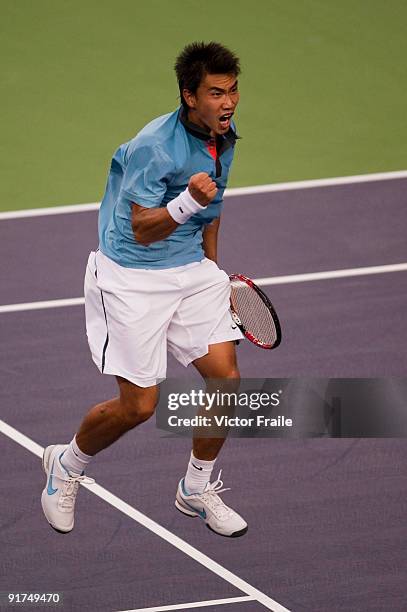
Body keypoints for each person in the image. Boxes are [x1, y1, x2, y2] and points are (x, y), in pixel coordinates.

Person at [41, 41, 247, 538]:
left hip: (189, 269)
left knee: (226, 380)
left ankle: (194, 488)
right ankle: (66, 465)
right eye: (216, 93)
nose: (228, 103)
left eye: (234, 91)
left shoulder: (224, 138)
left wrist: (215, 276)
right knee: (139, 406)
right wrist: (186, 204)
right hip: (131, 275)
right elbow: (141, 228)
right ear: (189, 96)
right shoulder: (155, 145)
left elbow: (211, 214)